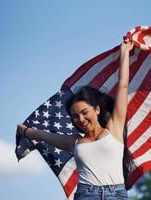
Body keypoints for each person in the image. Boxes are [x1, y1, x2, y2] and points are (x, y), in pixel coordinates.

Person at [17, 37, 134, 200]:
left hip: (117, 195)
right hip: (86, 195)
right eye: (75, 116)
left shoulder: (114, 128)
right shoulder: (75, 142)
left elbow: (123, 86)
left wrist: (124, 53)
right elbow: (44, 136)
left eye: (85, 112)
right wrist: (25, 131)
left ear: (97, 109)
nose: (81, 119)